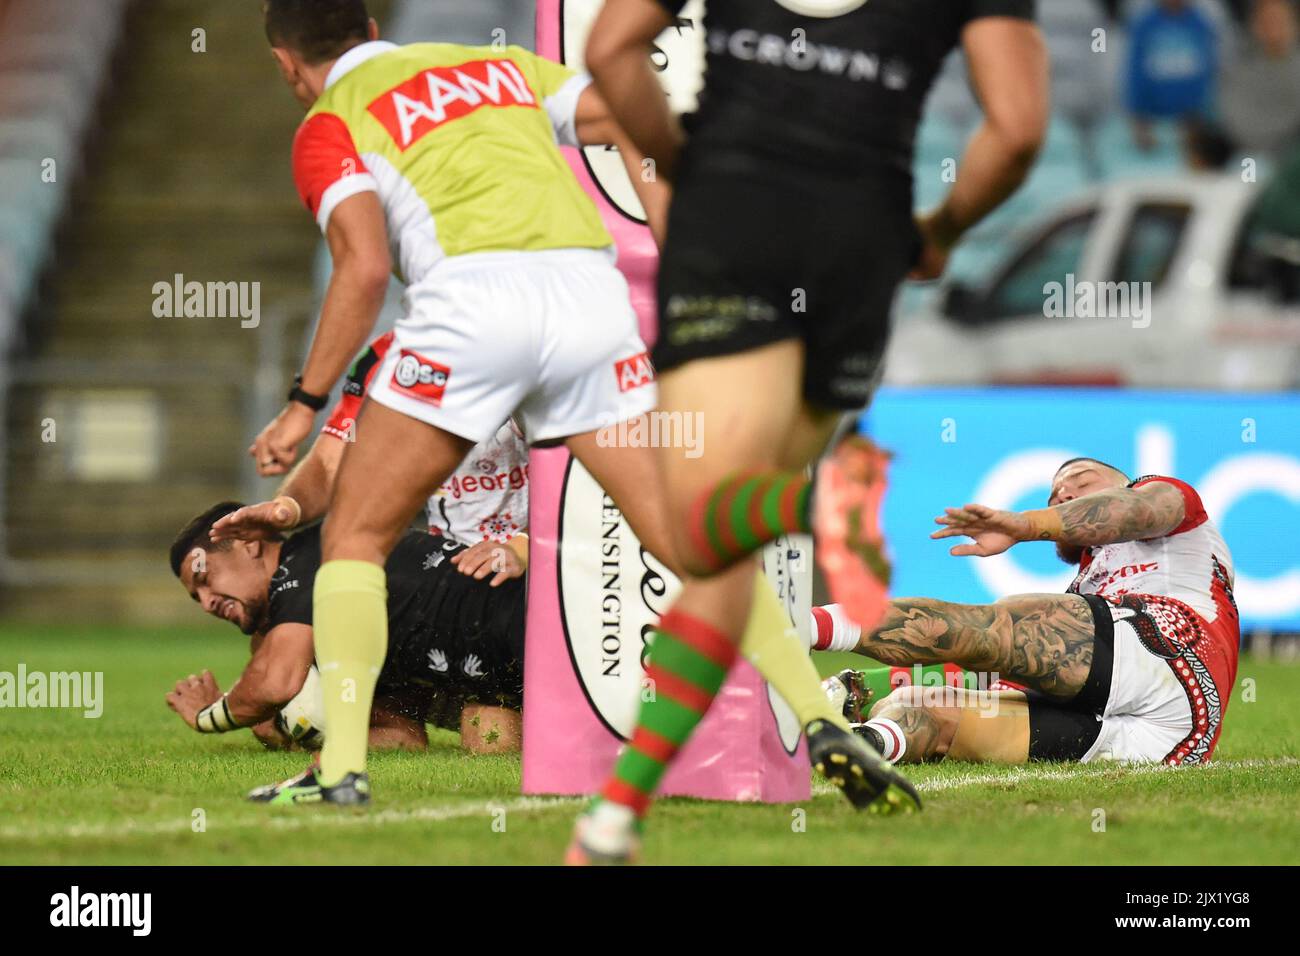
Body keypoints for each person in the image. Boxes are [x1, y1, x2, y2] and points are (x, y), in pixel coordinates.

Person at [569, 0, 1047, 862]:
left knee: (697, 527)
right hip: (863, 242)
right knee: (724, 547)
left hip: (733, 222)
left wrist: (691, 162)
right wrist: (940, 231)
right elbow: (1016, 131)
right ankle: (612, 822)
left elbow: (610, 50)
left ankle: (818, 498)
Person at [816, 459, 1239, 767]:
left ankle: (801, 626)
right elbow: (992, 674)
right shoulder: (1087, 592)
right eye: (1054, 494)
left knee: (997, 626)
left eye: (1080, 481)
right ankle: (860, 748)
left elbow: (1136, 511)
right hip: (1159, 745)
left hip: (1176, 663)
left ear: (1122, 482)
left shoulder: (1175, 509)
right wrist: (860, 688)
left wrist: (1027, 523)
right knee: (924, 706)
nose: (1064, 494)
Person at [165, 503, 526, 788]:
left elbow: (274, 683)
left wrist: (209, 717)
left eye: (205, 578)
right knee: (491, 750)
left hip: (534, 626)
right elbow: (402, 740)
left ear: (248, 542)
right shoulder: (337, 627)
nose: (208, 601)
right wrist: (292, 736)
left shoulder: (314, 557)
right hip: (499, 680)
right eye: (197, 597)